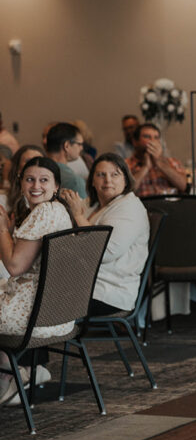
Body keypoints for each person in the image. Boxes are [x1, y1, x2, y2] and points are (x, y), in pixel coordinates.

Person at [0, 157, 75, 405]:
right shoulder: (57, 210)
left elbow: (14, 266)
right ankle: (16, 370)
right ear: (21, 183)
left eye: (44, 180)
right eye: (30, 179)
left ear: (56, 187)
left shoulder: (43, 213)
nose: (36, 186)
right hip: (58, 312)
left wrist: (2, 229)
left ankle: (8, 379)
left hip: (35, 317)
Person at [59, 153, 149, 315]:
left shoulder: (129, 208)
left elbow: (105, 252)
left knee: (41, 298)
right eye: (101, 175)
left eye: (115, 175)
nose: (108, 181)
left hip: (108, 292)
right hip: (84, 284)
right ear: (92, 181)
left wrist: (78, 216)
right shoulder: (94, 205)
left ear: (126, 180)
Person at [128, 123, 188, 197]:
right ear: (135, 142)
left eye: (156, 137)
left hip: (169, 205)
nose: (153, 141)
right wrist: (145, 167)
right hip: (142, 206)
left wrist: (160, 163)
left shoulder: (172, 161)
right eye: (147, 137)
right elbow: (126, 192)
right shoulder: (126, 164)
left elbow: (184, 187)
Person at [44, 122, 88, 199]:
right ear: (67, 146)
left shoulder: (36, 169)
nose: (81, 148)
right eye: (79, 144)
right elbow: (82, 210)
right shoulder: (74, 181)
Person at [5, 144, 45, 212]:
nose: (35, 165)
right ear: (18, 169)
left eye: (39, 161)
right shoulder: (3, 200)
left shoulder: (53, 203)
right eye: (28, 161)